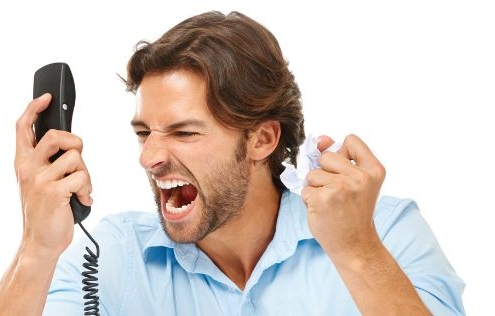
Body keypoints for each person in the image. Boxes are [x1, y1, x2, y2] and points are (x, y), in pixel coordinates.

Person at [0, 11, 465, 315]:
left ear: (262, 139)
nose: (149, 157)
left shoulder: (383, 232)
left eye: (184, 132)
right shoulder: (110, 257)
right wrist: (37, 249)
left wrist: (358, 253)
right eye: (144, 133)